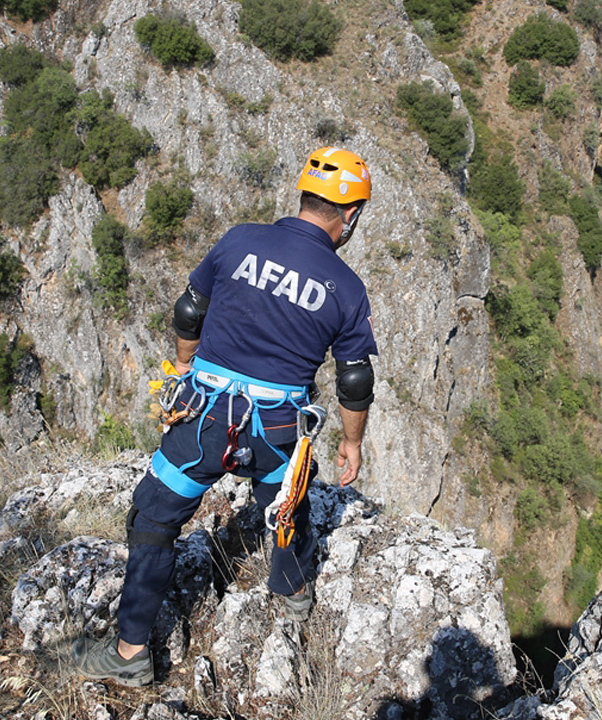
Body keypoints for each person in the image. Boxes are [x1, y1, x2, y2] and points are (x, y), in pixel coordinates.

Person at [73, 147, 379, 686]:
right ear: (350, 215)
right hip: (279, 433)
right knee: (286, 511)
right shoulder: (346, 289)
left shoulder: (240, 241)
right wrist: (351, 445)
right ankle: (293, 594)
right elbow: (354, 381)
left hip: (205, 419)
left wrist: (186, 367)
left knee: (153, 517)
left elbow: (190, 309)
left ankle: (130, 654)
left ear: (303, 196)